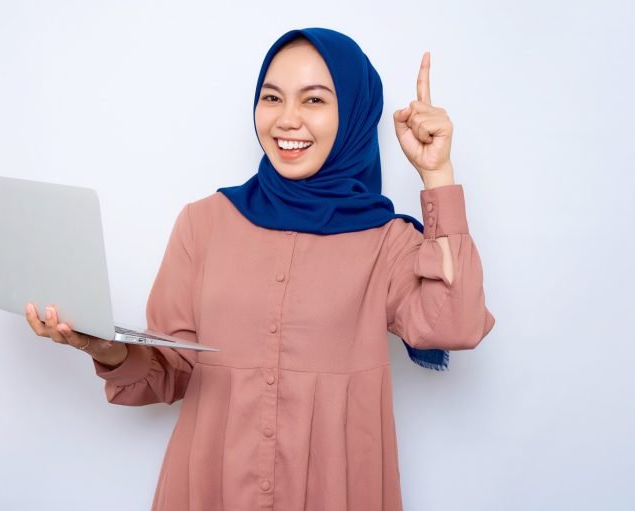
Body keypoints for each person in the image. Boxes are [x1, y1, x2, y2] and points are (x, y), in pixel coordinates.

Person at [25, 27, 495, 511]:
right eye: (272, 98)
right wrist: (107, 349)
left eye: (314, 101)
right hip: (209, 490)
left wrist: (437, 175)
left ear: (353, 114)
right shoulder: (203, 223)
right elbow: (170, 371)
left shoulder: (387, 241)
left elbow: (454, 325)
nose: (287, 120)